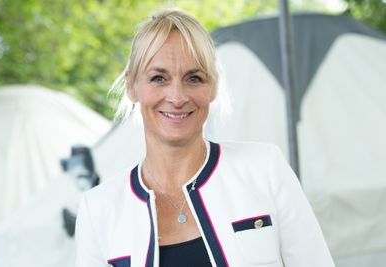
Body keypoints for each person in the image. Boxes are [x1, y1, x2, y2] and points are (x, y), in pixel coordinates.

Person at [75, 8, 335, 267]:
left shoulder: (265, 169)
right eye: (158, 78)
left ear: (212, 86)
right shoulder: (98, 209)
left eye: (194, 78)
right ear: (132, 86)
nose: (177, 97)